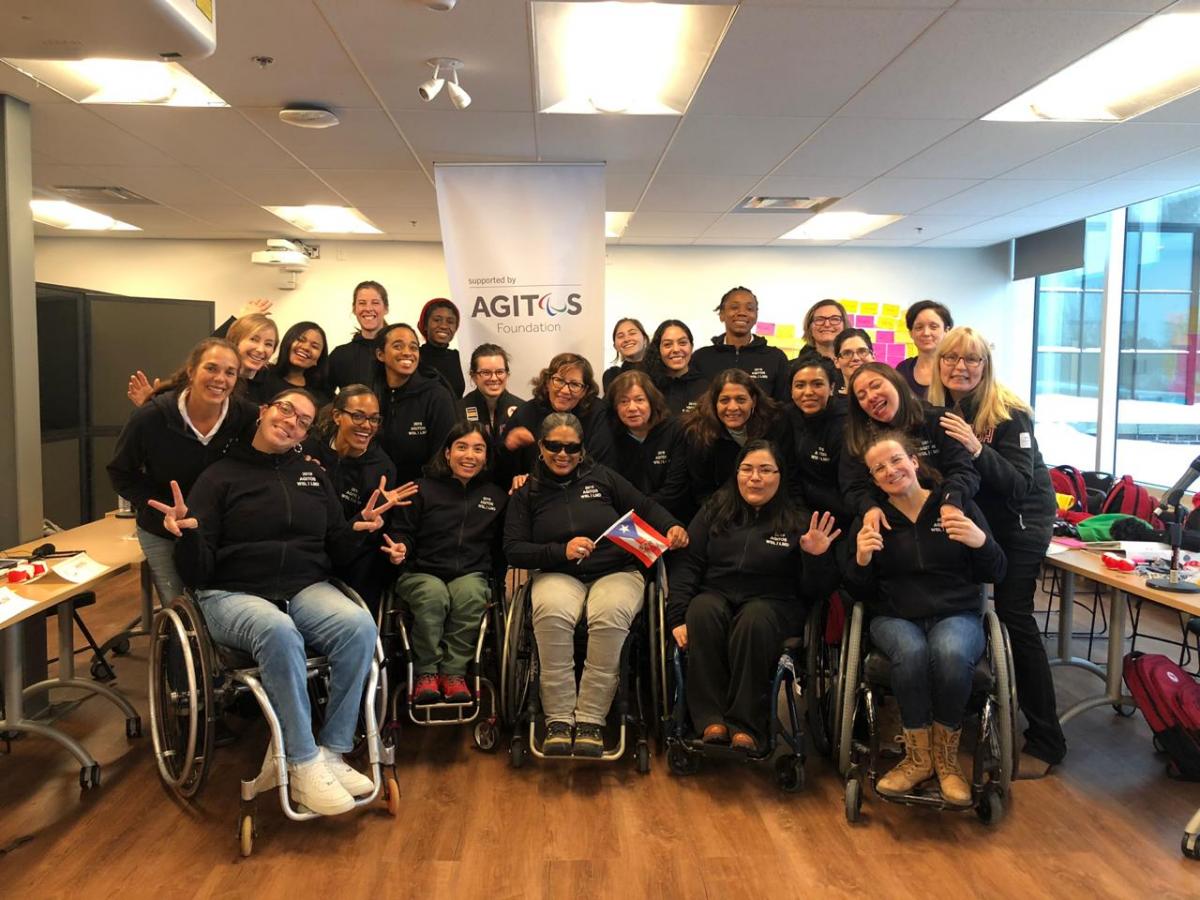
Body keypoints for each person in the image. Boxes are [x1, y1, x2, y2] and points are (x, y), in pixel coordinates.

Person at [149, 388, 396, 816]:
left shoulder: (312, 475)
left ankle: (333, 753)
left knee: (359, 626)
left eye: (302, 420)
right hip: (232, 592)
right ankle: (301, 762)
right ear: (264, 412)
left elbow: (336, 546)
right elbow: (197, 571)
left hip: (303, 587)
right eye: (285, 410)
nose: (292, 422)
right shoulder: (220, 476)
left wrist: (360, 528)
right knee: (278, 632)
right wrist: (186, 534)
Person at [503, 413, 687, 757]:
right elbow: (513, 549)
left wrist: (673, 525)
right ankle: (558, 719)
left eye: (571, 447)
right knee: (552, 615)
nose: (563, 454)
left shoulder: (603, 477)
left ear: (581, 448)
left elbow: (645, 506)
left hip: (616, 570)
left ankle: (590, 718)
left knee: (609, 616)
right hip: (558, 572)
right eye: (554, 446)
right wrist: (561, 550)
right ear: (541, 448)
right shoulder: (526, 492)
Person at [929, 326, 1066, 777]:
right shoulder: (945, 408)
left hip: (1022, 524)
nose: (960, 368)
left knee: (1014, 618)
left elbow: (1016, 483)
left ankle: (1046, 740)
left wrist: (973, 445)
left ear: (985, 366)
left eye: (972, 360)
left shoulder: (1008, 413)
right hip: (981, 524)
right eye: (951, 359)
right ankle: (973, 706)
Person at [843, 432, 1006, 806]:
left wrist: (980, 541)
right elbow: (858, 593)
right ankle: (917, 759)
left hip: (957, 613)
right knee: (912, 651)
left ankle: (946, 761)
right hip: (895, 616)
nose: (890, 470)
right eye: (879, 468)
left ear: (914, 462)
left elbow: (997, 571)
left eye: (896, 460)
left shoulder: (955, 508)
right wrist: (862, 561)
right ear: (873, 479)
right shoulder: (873, 519)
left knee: (948, 652)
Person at [667, 440, 840, 751]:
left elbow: (816, 591)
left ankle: (746, 725)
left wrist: (815, 557)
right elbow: (688, 565)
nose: (754, 478)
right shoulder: (714, 511)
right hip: (717, 595)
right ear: (736, 474)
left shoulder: (798, 521)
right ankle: (709, 719)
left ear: (780, 476)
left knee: (754, 620)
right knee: (702, 609)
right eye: (746, 469)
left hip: (774, 604)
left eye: (764, 470)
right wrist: (677, 616)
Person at [108, 338, 257, 606]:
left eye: (229, 372)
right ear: (191, 371)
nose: (220, 379)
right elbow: (121, 473)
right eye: (211, 368)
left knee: (218, 604)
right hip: (163, 529)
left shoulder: (245, 417)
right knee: (181, 606)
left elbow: (259, 462)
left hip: (218, 529)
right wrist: (161, 507)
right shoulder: (151, 417)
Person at [382, 422, 508, 705]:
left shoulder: (495, 497)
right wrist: (400, 547)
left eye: (478, 449)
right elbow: (402, 532)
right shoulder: (421, 489)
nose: (469, 455)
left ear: (486, 456)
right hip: (421, 571)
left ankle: (454, 674)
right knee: (434, 595)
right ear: (448, 453)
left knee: (470, 595)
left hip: (471, 573)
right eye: (462, 447)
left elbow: (502, 546)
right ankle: (426, 672)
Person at [303, 385, 416, 614]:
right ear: (337, 416)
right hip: (307, 548)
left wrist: (366, 521)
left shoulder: (382, 468)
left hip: (353, 555)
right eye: (358, 416)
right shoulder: (309, 450)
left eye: (374, 419)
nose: (367, 426)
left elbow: (370, 529)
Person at [840, 362, 979, 534]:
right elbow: (853, 487)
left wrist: (952, 501)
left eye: (876, 386)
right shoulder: (860, 438)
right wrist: (869, 508)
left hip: (945, 515)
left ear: (896, 382)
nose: (870, 397)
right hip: (893, 524)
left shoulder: (939, 420)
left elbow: (963, 471)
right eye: (861, 396)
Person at [126, 311, 280, 408]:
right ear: (235, 340)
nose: (261, 349)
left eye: (268, 344)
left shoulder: (272, 384)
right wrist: (151, 406)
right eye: (254, 339)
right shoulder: (204, 379)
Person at [682, 368, 784, 505]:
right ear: (714, 403)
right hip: (721, 508)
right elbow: (702, 490)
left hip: (770, 504)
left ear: (753, 401)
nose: (732, 407)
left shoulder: (775, 425)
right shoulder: (699, 434)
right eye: (724, 400)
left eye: (740, 400)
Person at [373, 322, 457, 485]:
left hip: (423, 496)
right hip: (379, 493)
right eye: (398, 346)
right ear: (380, 354)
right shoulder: (372, 395)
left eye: (413, 347)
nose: (407, 353)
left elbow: (444, 457)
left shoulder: (437, 395)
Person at [504, 352, 615, 475]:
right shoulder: (526, 413)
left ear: (584, 391)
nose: (565, 390)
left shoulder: (597, 413)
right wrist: (509, 449)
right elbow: (503, 472)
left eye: (574, 384)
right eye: (559, 380)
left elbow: (601, 465)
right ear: (547, 383)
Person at [607, 370, 691, 522]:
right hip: (627, 520)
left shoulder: (675, 430)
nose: (632, 408)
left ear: (652, 402)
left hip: (673, 517)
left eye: (639, 400)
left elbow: (675, 489)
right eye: (623, 401)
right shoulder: (611, 437)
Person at [690, 287, 790, 403]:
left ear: (756, 315)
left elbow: (783, 405)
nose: (742, 313)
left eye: (749, 308)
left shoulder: (775, 358)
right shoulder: (701, 358)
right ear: (722, 314)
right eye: (734, 307)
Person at [786, 356, 850, 530]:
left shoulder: (844, 425)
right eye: (800, 385)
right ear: (791, 391)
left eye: (817, 384)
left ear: (832, 388)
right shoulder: (786, 417)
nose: (808, 392)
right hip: (798, 511)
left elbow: (849, 485)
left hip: (840, 516)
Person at [328, 280, 390, 392]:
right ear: (354, 309)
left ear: (386, 308)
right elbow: (322, 393)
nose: (368, 308)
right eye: (362, 303)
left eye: (375, 303)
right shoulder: (340, 355)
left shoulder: (396, 352)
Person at [459, 343, 524, 443]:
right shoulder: (458, 411)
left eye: (500, 372)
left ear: (507, 374)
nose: (494, 378)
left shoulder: (522, 410)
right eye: (486, 373)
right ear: (473, 376)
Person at [642, 319, 707, 416]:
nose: (676, 349)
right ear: (658, 349)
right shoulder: (649, 387)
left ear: (691, 346)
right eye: (668, 344)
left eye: (682, 343)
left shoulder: (705, 388)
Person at [896, 300, 953, 401]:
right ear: (911, 333)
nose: (926, 333)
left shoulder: (956, 369)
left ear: (947, 331)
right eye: (919, 327)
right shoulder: (902, 370)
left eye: (933, 327)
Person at [271, 321, 332, 407]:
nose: (306, 347)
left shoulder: (322, 396)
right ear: (287, 342)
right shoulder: (262, 374)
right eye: (301, 340)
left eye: (314, 346)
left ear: (319, 358)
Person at [417, 298, 465, 398]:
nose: (443, 326)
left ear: (456, 328)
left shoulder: (460, 358)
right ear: (425, 325)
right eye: (437, 320)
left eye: (450, 321)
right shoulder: (415, 357)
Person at [794, 299, 848, 367]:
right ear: (809, 327)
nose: (827, 324)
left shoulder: (858, 366)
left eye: (835, 319)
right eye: (819, 319)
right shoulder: (790, 369)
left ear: (845, 325)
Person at [602, 318, 648, 392]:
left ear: (645, 339)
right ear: (615, 346)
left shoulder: (661, 372)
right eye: (620, 336)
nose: (626, 339)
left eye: (632, 333)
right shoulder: (612, 376)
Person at [833, 328, 875, 394]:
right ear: (836, 362)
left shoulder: (886, 397)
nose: (856, 358)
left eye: (862, 351)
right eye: (847, 353)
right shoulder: (828, 402)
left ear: (873, 356)